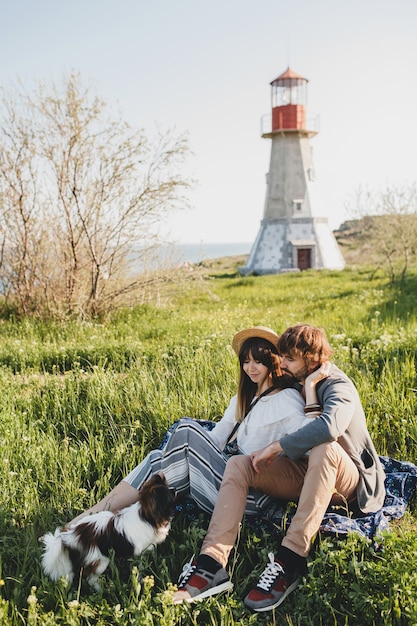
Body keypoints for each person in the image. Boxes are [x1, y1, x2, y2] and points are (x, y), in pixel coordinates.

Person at [172, 323, 386, 612]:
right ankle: (212, 564)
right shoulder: (296, 381)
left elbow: (329, 427)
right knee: (239, 464)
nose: (281, 363)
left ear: (312, 360)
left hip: (346, 481)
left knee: (324, 447)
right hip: (304, 472)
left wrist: (276, 447)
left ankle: (291, 559)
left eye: (289, 359)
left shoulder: (338, 385)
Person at [68, 326, 321, 530]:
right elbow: (216, 439)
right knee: (158, 457)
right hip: (224, 478)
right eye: (245, 361)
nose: (250, 368)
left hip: (251, 496)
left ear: (273, 362)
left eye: (258, 361)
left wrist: (310, 391)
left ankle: (129, 523)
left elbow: (309, 442)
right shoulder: (244, 399)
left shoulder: (287, 400)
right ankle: (93, 516)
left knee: (186, 429)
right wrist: (184, 458)